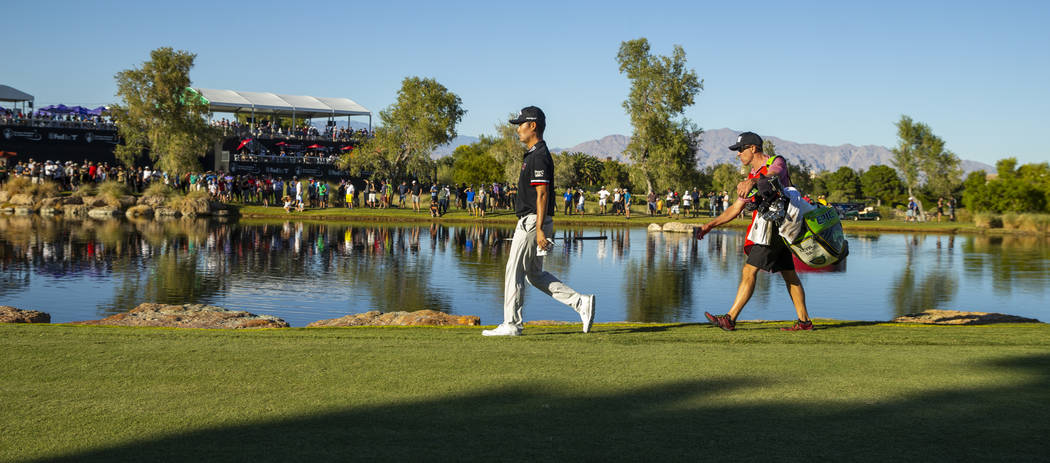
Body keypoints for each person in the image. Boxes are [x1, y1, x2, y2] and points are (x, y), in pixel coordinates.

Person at [483, 106, 595, 336]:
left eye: (521, 125)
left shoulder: (539, 156)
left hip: (533, 221)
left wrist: (540, 230)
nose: (517, 130)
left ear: (532, 126)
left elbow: (542, 194)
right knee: (534, 275)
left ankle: (512, 324)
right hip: (536, 221)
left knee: (513, 270)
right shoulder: (535, 154)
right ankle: (580, 303)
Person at [694, 131, 814, 331]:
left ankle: (730, 319)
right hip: (776, 230)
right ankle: (805, 322)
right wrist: (710, 225)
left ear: (752, 148)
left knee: (749, 270)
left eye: (740, 150)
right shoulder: (751, 175)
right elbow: (735, 208)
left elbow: (773, 175)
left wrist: (754, 181)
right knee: (790, 275)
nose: (738, 154)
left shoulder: (776, 162)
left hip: (775, 230)